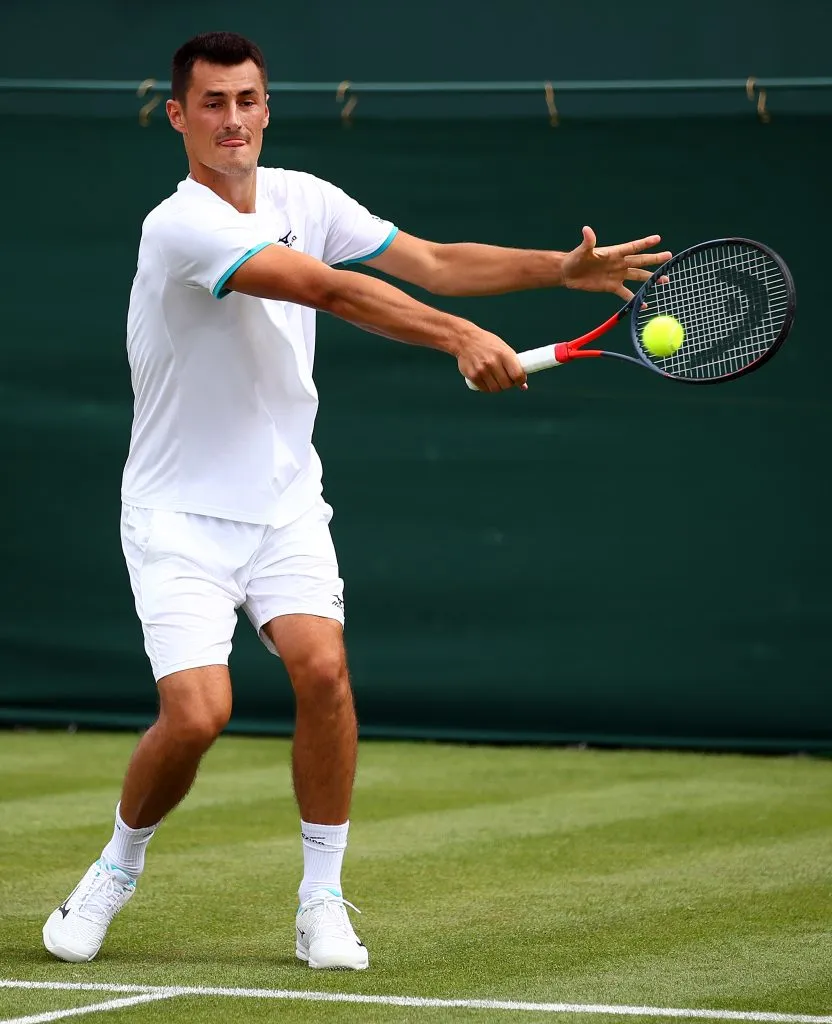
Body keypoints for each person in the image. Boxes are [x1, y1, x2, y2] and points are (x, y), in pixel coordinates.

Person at [42, 31, 670, 970]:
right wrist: (461, 338)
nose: (233, 120)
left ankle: (322, 899)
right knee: (200, 713)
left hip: (287, 501)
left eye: (247, 100)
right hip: (178, 513)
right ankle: (118, 865)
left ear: (267, 106)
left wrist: (557, 269)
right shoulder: (176, 226)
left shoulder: (307, 196)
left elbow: (434, 260)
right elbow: (329, 291)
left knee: (324, 673)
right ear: (178, 116)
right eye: (211, 104)